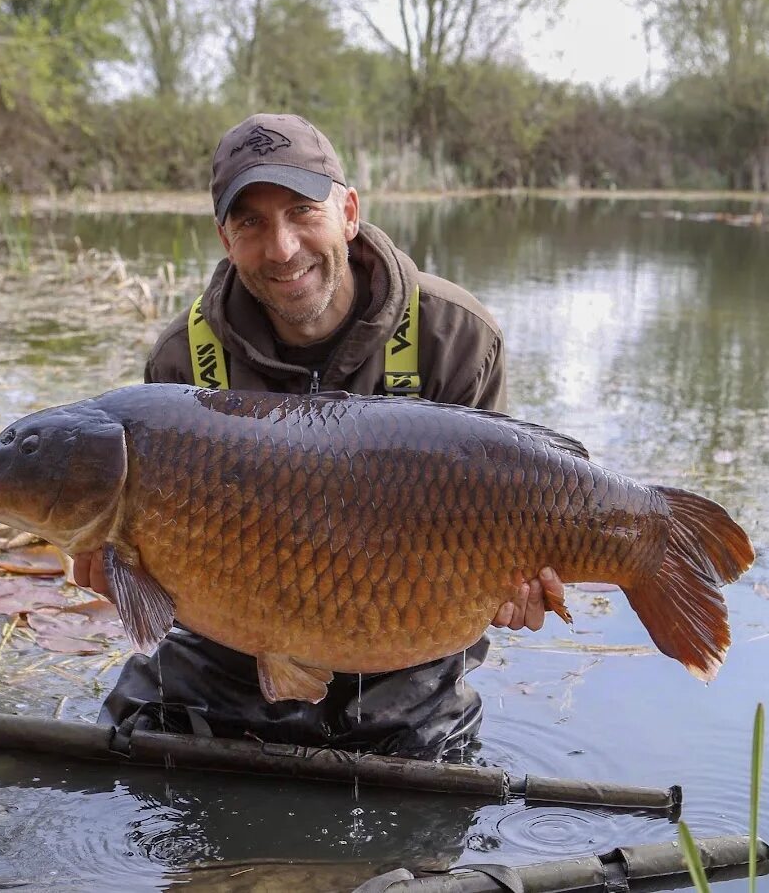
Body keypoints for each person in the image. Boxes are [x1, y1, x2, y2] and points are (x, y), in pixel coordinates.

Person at [74, 113, 563, 760]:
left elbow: (503, 508)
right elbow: (162, 584)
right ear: (225, 237)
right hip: (235, 646)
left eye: (303, 210)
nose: (281, 247)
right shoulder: (181, 363)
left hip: (403, 636)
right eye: (251, 222)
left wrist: (506, 588)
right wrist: (127, 571)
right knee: (136, 755)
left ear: (349, 211)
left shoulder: (457, 336)